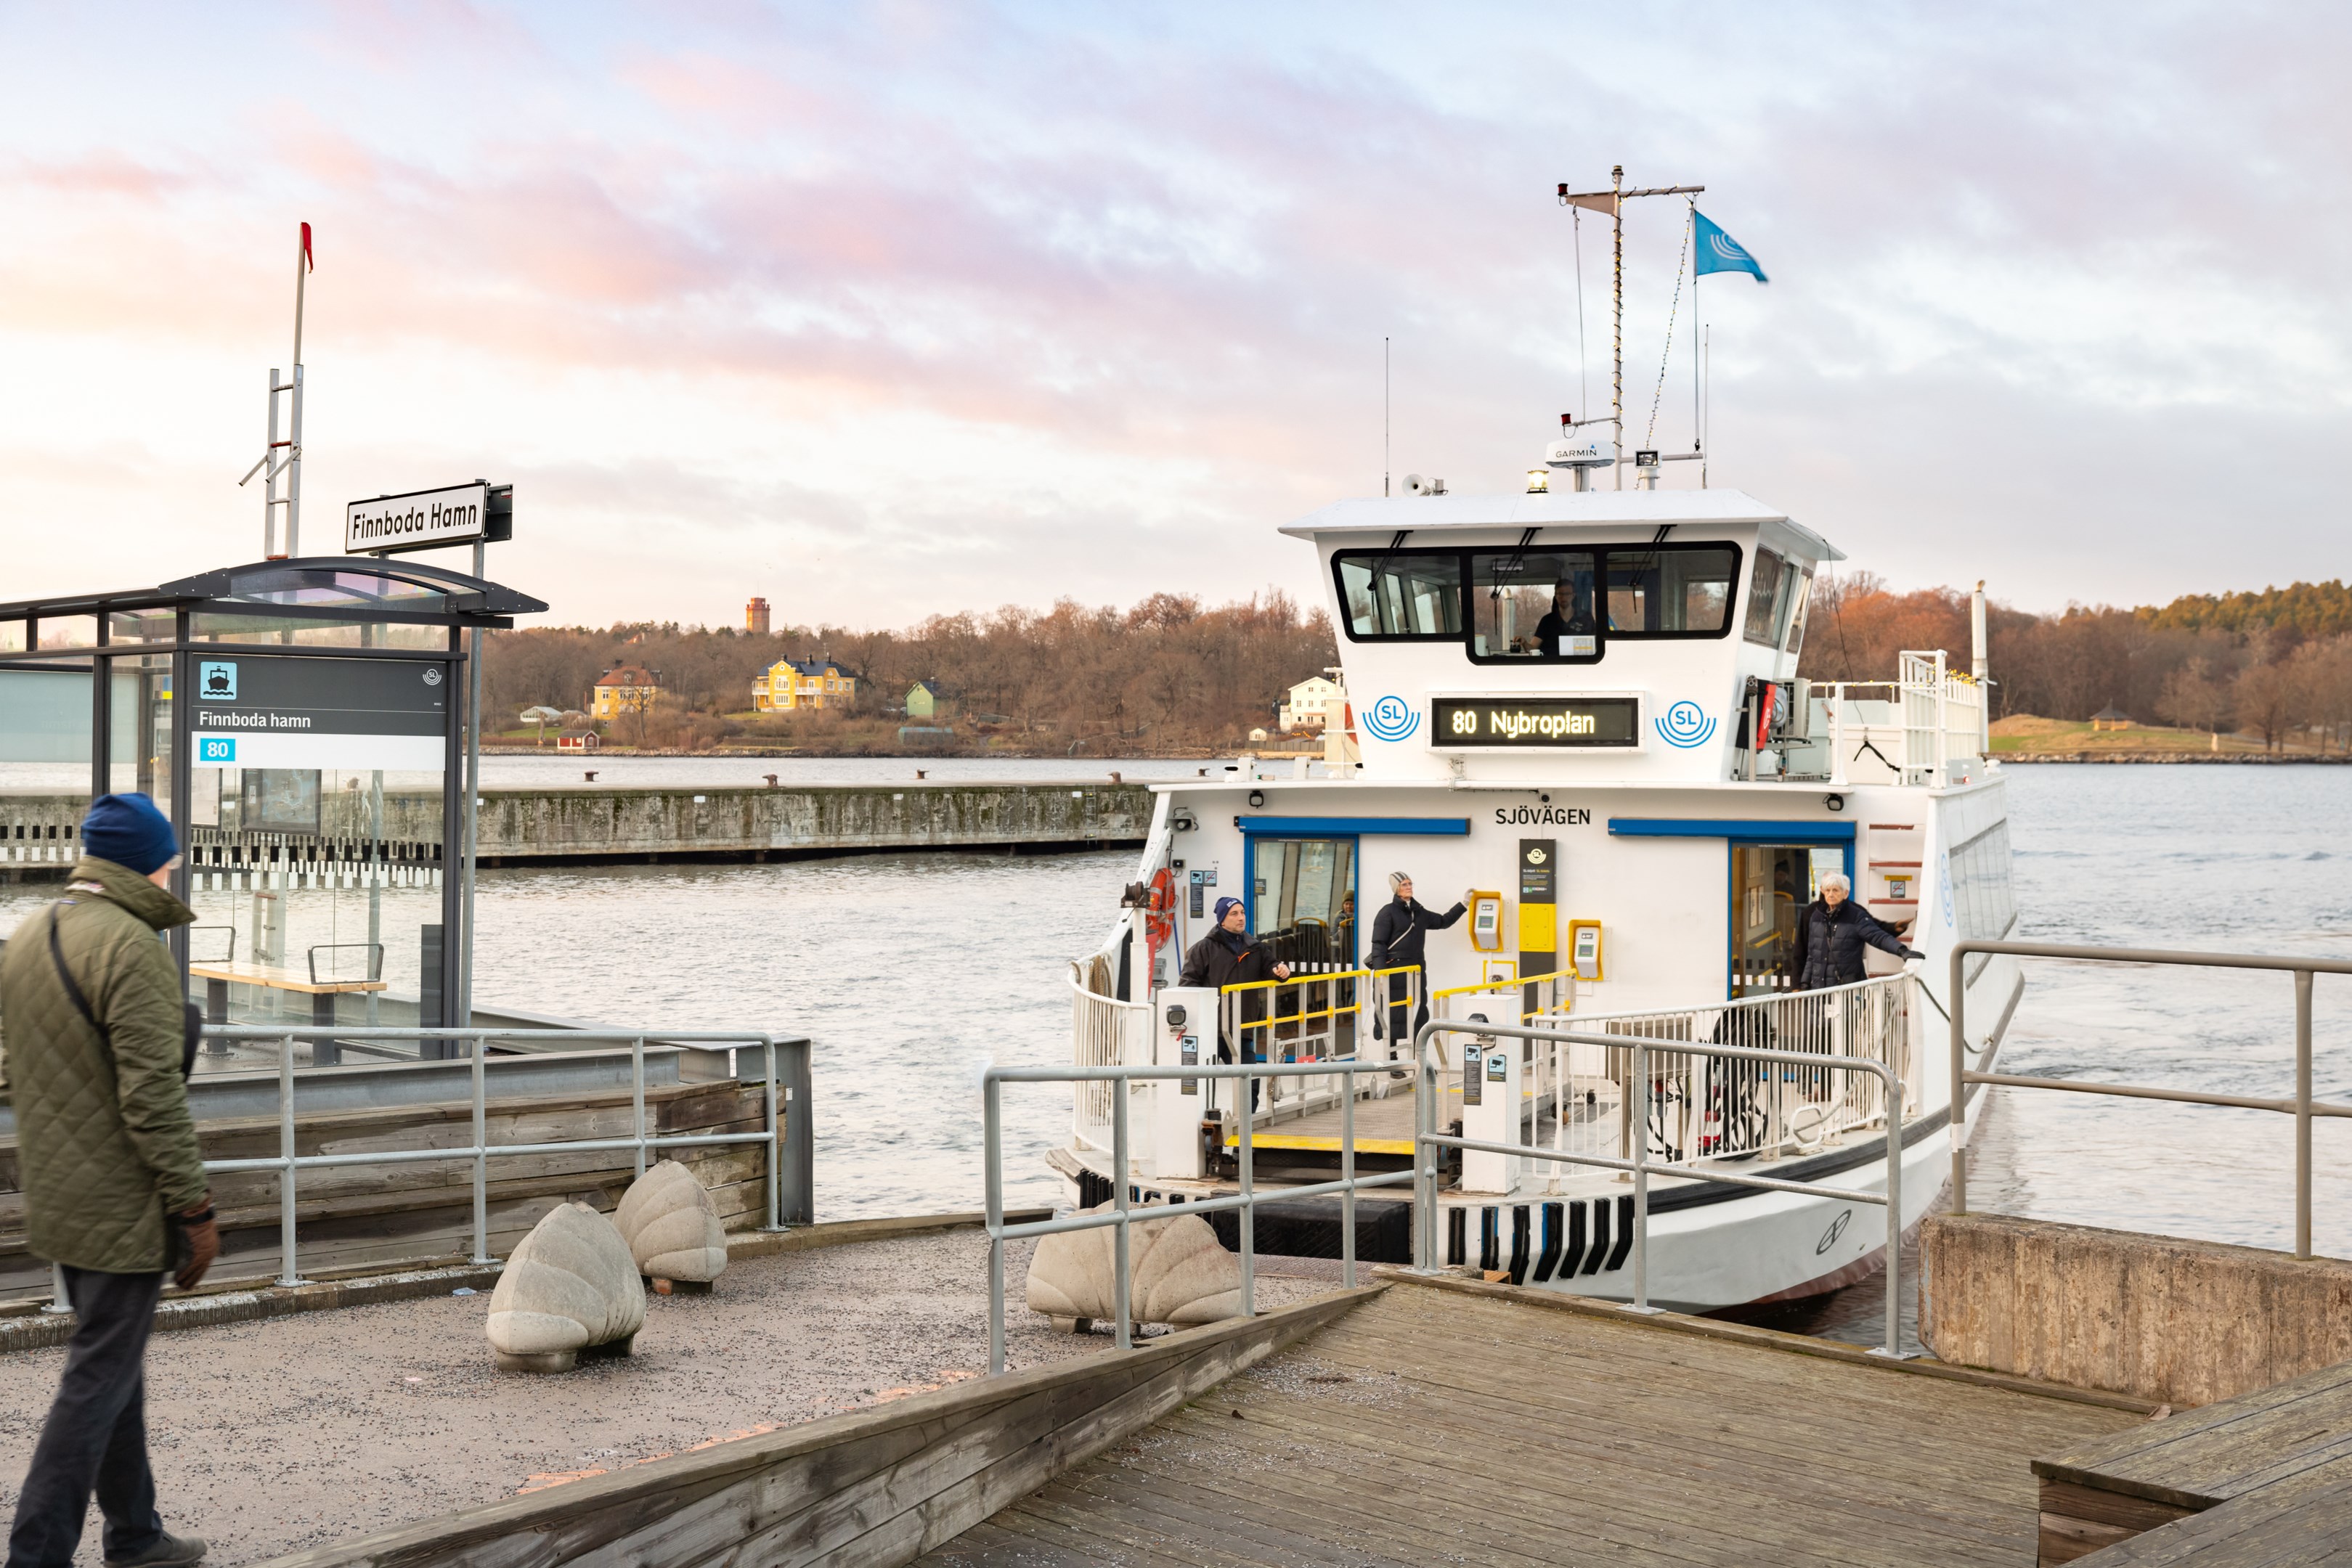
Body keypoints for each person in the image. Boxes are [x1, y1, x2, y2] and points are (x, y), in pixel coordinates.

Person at [0, 794, 217, 1568]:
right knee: (95, 1382)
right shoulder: (132, 949)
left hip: (59, 1198)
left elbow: (10, 1071)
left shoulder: (29, 936)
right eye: (167, 855)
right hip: (123, 1208)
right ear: (146, 861)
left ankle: (137, 1534)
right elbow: (152, 1100)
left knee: (112, 1366)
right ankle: (36, 1555)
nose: (172, 867)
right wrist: (195, 1207)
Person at [1179, 897, 1293, 1110]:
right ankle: (1203, 1133)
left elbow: (1271, 967)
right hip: (1210, 1030)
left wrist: (1280, 970)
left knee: (1249, 1082)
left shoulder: (1255, 947)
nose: (1241, 918)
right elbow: (1187, 985)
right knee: (1200, 1085)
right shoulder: (1203, 949)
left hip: (1241, 1029)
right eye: (1234, 914)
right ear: (1222, 920)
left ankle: (1244, 1141)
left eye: (1243, 913)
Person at [1368, 873, 1468, 1050]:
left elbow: (1443, 921)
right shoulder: (1387, 912)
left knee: (1417, 1015)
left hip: (1415, 971)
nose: (1409, 887)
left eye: (1410, 884)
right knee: (1391, 1014)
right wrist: (1381, 973)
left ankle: (1417, 1060)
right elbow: (1379, 944)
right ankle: (1392, 1061)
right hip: (1394, 972)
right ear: (1396, 889)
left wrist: (1464, 904)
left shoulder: (1419, 912)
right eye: (1404, 885)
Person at [1789, 870, 1918, 989]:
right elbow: (1808, 954)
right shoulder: (1813, 915)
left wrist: (1902, 949)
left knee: (1848, 1015)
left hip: (1846, 988)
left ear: (1846, 893)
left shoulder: (1855, 914)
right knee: (1817, 1015)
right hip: (1818, 988)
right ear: (1822, 890)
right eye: (1828, 890)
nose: (1831, 894)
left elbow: (1876, 934)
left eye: (1835, 890)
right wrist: (1801, 983)